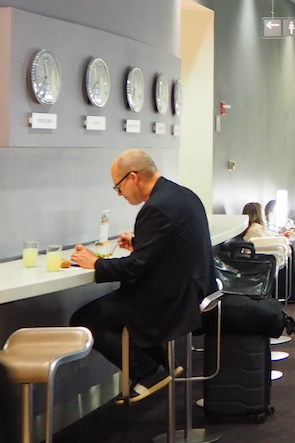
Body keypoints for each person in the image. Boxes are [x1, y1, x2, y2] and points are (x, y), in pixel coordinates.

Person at [69, 149, 215, 403]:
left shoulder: (156, 208)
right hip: (194, 287)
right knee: (116, 311)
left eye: (118, 187)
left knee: (85, 319)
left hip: (174, 297)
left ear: (133, 177)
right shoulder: (181, 195)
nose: (120, 194)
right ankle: (163, 364)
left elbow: (136, 267)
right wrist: (141, 243)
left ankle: (148, 372)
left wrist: (95, 264)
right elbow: (173, 247)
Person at [240, 202, 295, 304]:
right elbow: (268, 241)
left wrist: (282, 236)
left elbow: (270, 237)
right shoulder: (255, 228)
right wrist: (282, 239)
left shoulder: (253, 228)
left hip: (277, 251)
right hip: (275, 253)